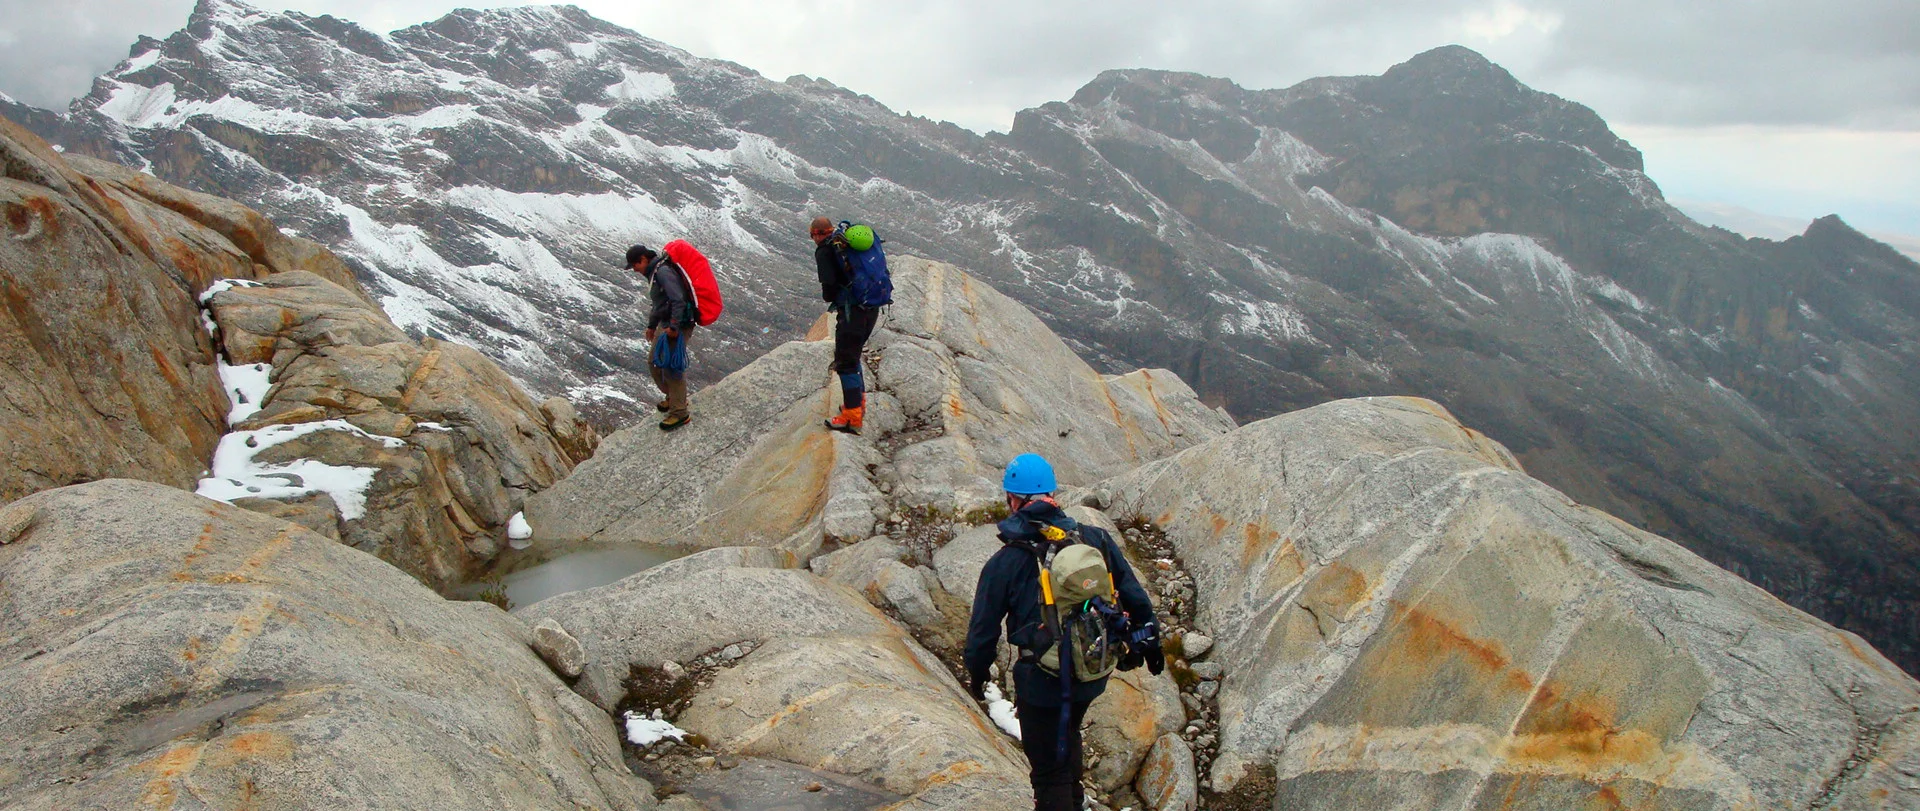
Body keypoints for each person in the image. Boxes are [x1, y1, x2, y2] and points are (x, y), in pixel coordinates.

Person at [963, 453, 1164, 811]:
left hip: (1042, 679)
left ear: (1014, 500)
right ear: (1051, 494)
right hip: (1091, 669)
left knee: (1047, 772)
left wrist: (977, 676)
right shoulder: (1094, 538)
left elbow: (982, 633)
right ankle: (1075, 800)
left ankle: (1064, 800)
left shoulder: (1005, 562)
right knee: (1068, 730)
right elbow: (1134, 597)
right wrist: (1149, 643)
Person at [811, 215, 881, 434]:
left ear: (816, 234)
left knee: (845, 363)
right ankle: (857, 405)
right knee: (853, 356)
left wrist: (835, 294)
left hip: (853, 312)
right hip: (872, 306)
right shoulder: (847, 242)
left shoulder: (826, 250)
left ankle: (852, 417)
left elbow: (828, 289)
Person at [624, 244, 696, 431]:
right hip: (666, 324)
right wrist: (651, 325)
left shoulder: (662, 272)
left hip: (677, 325)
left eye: (635, 265)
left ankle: (679, 412)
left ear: (643, 259)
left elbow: (677, 299)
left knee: (671, 367)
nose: (635, 270)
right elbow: (659, 303)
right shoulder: (655, 273)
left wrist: (674, 326)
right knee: (654, 362)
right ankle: (674, 397)